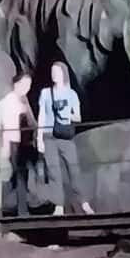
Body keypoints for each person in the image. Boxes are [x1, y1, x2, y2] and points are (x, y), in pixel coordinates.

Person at [35, 62, 94, 214]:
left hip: (66, 136)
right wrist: (39, 138)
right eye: (52, 71)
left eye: (57, 71)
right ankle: (59, 205)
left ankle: (84, 202)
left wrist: (67, 116)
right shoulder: (46, 93)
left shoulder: (71, 94)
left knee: (74, 169)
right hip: (49, 135)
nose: (54, 74)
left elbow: (78, 117)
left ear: (64, 73)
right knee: (54, 172)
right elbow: (42, 116)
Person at [0, 72, 39, 218]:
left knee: (18, 177)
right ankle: (20, 211)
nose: (26, 88)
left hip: (23, 142)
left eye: (28, 85)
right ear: (16, 84)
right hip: (13, 142)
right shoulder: (10, 100)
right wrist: (6, 147)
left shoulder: (23, 100)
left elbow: (31, 122)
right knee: (18, 176)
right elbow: (6, 125)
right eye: (23, 84)